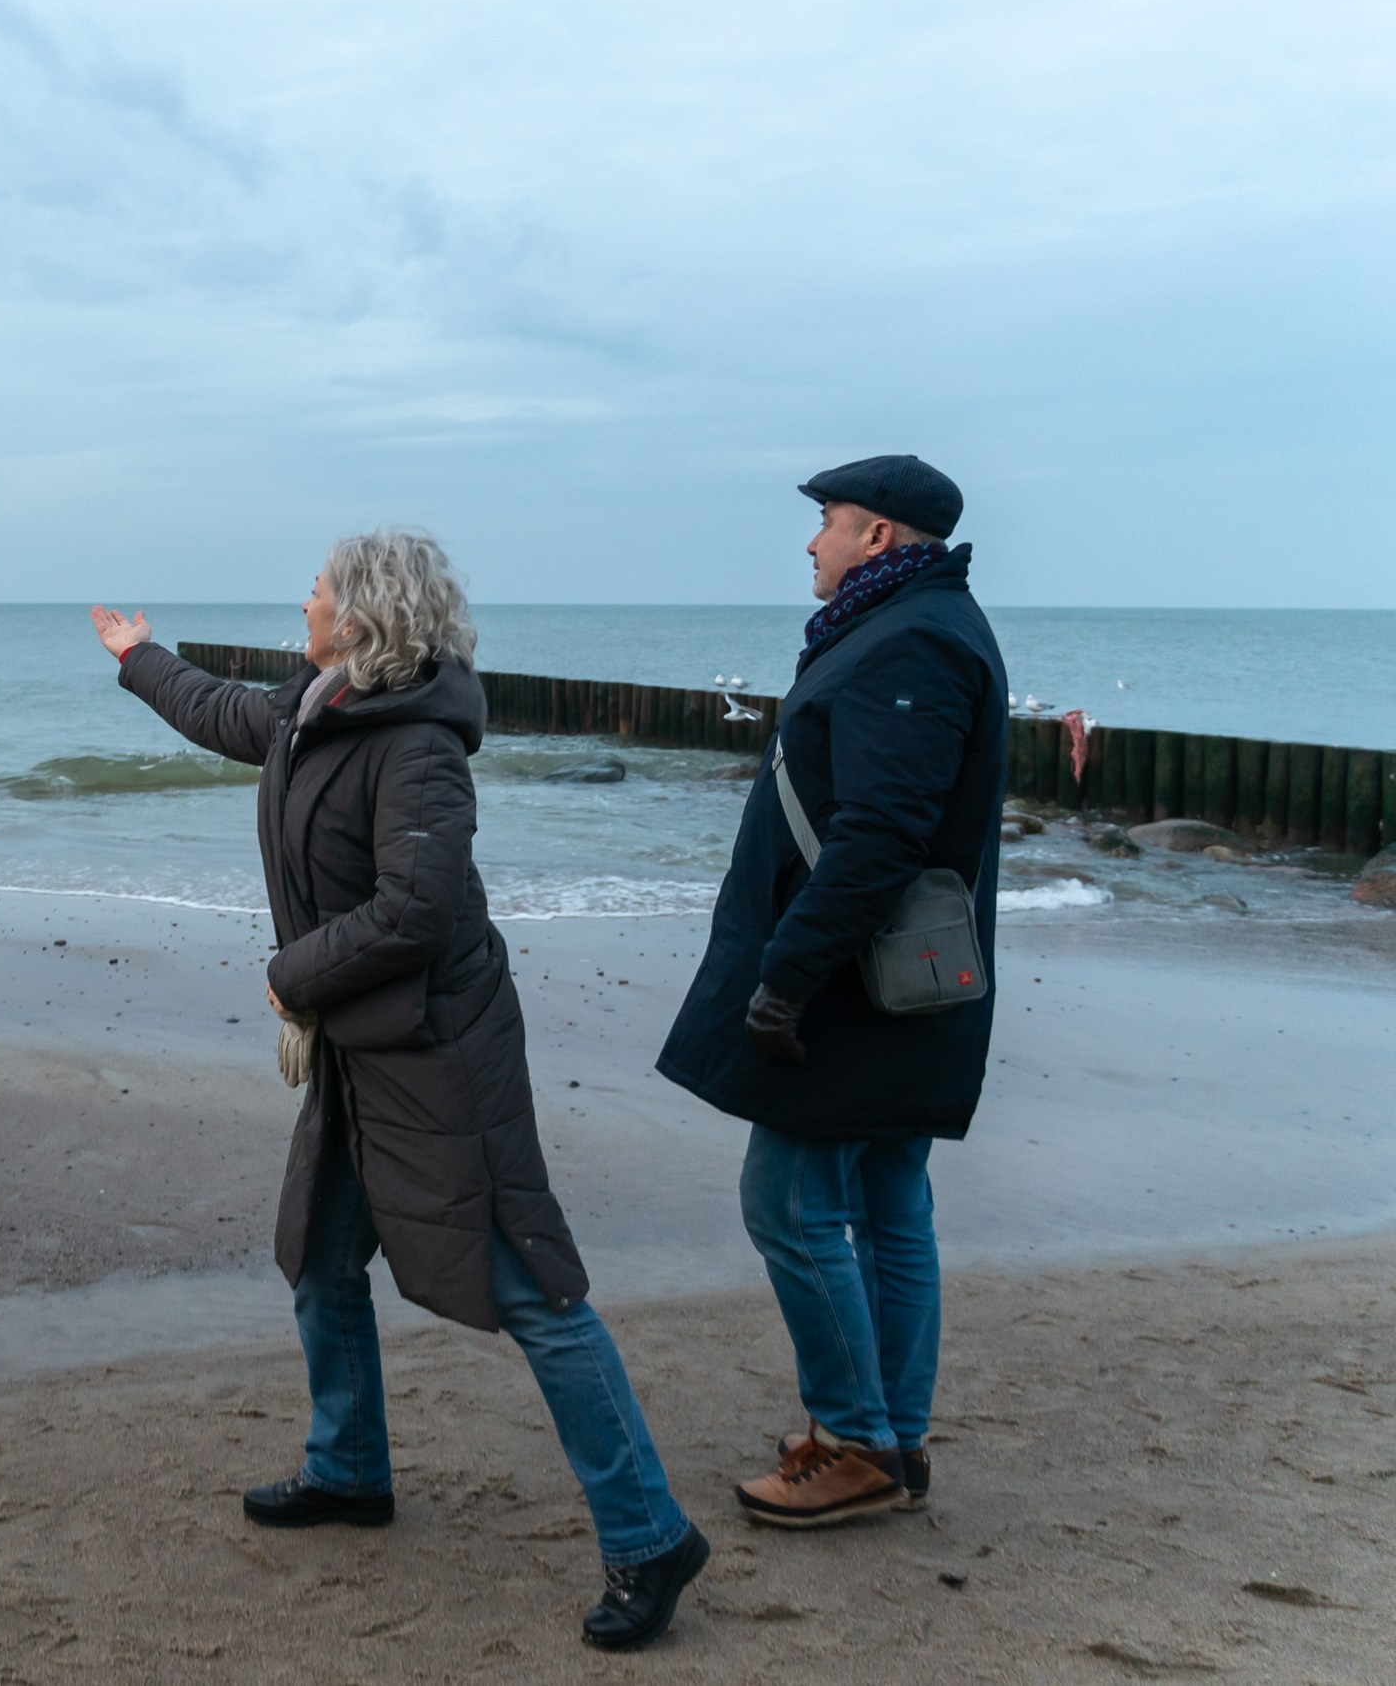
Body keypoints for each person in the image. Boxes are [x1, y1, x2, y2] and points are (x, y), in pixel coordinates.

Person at [91, 530, 706, 1651]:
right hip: (358, 1049)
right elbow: (225, 714)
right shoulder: (313, 705)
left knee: (530, 1286)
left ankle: (651, 1535)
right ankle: (349, 1470)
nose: (306, 596)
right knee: (321, 1256)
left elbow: (415, 912)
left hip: (435, 1055)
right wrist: (141, 660)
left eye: (320, 586)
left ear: (363, 614)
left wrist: (290, 975)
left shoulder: (417, 749)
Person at [656, 455, 1008, 1527]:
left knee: (791, 1203)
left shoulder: (912, 642)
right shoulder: (918, 627)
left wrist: (785, 979)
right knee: (890, 1204)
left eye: (829, 523)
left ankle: (853, 1440)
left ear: (881, 538)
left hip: (853, 989)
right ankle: (891, 1440)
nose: (811, 542)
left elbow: (877, 837)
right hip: (899, 984)